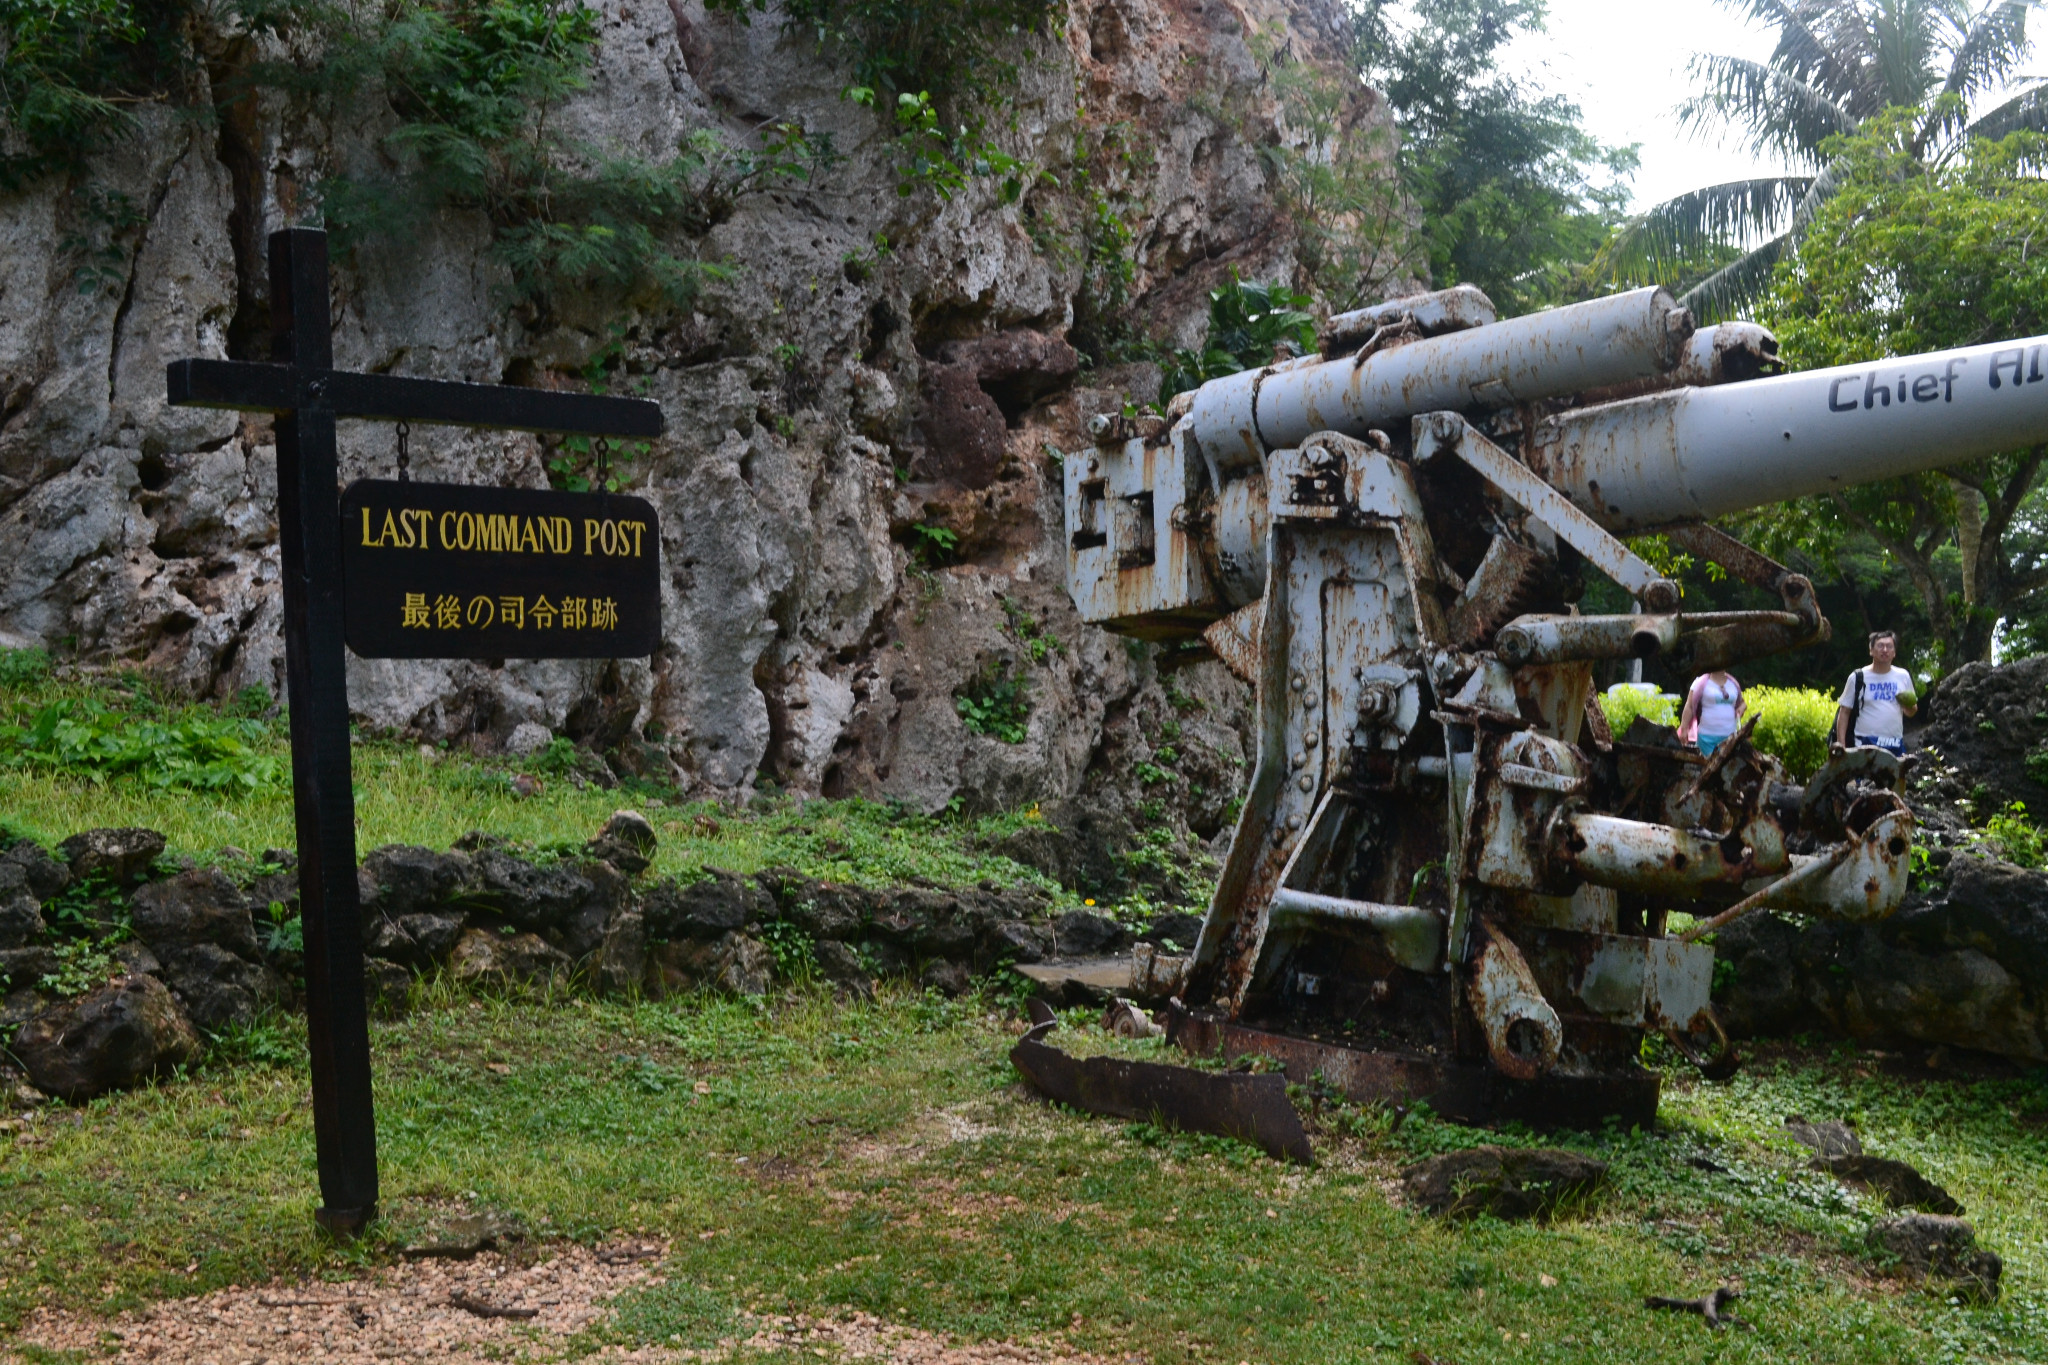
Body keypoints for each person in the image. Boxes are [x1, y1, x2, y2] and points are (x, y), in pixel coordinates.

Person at [1834, 630, 1918, 754]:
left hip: (1894, 743)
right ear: (1871, 651)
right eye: (1880, 646)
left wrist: (1909, 706)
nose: (1885, 650)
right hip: (1864, 742)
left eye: (1889, 646)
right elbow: (1844, 712)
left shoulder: (1903, 676)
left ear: (1894, 653)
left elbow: (1911, 711)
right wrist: (1841, 745)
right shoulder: (1857, 677)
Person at [1678, 668, 1744, 756]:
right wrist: (1684, 729)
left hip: (1730, 738)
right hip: (1706, 739)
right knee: (1709, 766)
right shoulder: (1700, 683)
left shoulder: (1734, 684)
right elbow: (1689, 706)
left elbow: (1742, 703)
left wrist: (1742, 708)